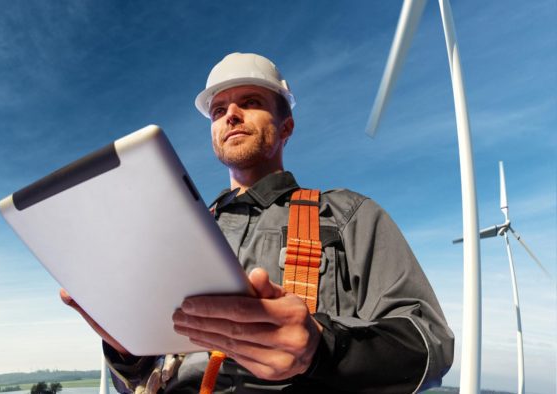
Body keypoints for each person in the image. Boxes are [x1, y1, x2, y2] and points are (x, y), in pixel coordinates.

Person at [61, 53, 454, 393]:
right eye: (218, 110)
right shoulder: (172, 236)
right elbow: (139, 383)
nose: (230, 114)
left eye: (250, 101)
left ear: (286, 127)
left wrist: (323, 348)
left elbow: (430, 345)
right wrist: (127, 352)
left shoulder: (348, 215)